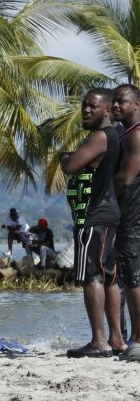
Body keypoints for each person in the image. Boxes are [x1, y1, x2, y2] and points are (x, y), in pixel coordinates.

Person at [61, 87, 125, 358]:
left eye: (93, 106)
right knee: (109, 278)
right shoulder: (118, 135)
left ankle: (98, 341)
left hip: (93, 216)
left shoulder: (101, 136)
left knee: (92, 277)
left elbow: (71, 166)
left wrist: (64, 156)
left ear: (108, 110)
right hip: (110, 215)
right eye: (84, 105)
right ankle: (117, 340)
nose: (85, 110)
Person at [112, 83, 140, 356]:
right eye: (114, 101)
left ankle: (138, 338)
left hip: (131, 216)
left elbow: (125, 180)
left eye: (122, 101)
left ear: (137, 105)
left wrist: (102, 199)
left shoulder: (135, 136)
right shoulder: (127, 134)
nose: (116, 105)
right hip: (131, 215)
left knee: (133, 277)